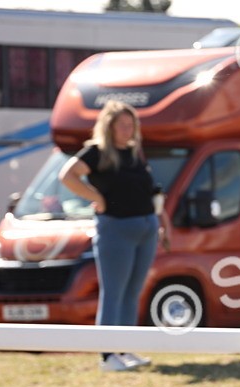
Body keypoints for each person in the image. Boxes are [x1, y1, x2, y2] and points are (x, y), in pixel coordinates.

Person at [59, 100, 165, 371]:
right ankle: (108, 356)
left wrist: (161, 221)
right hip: (116, 230)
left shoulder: (134, 152)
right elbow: (67, 176)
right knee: (113, 293)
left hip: (146, 228)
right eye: (122, 125)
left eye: (131, 125)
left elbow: (149, 191)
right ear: (109, 127)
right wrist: (96, 197)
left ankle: (125, 348)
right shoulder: (97, 152)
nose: (128, 130)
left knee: (133, 292)